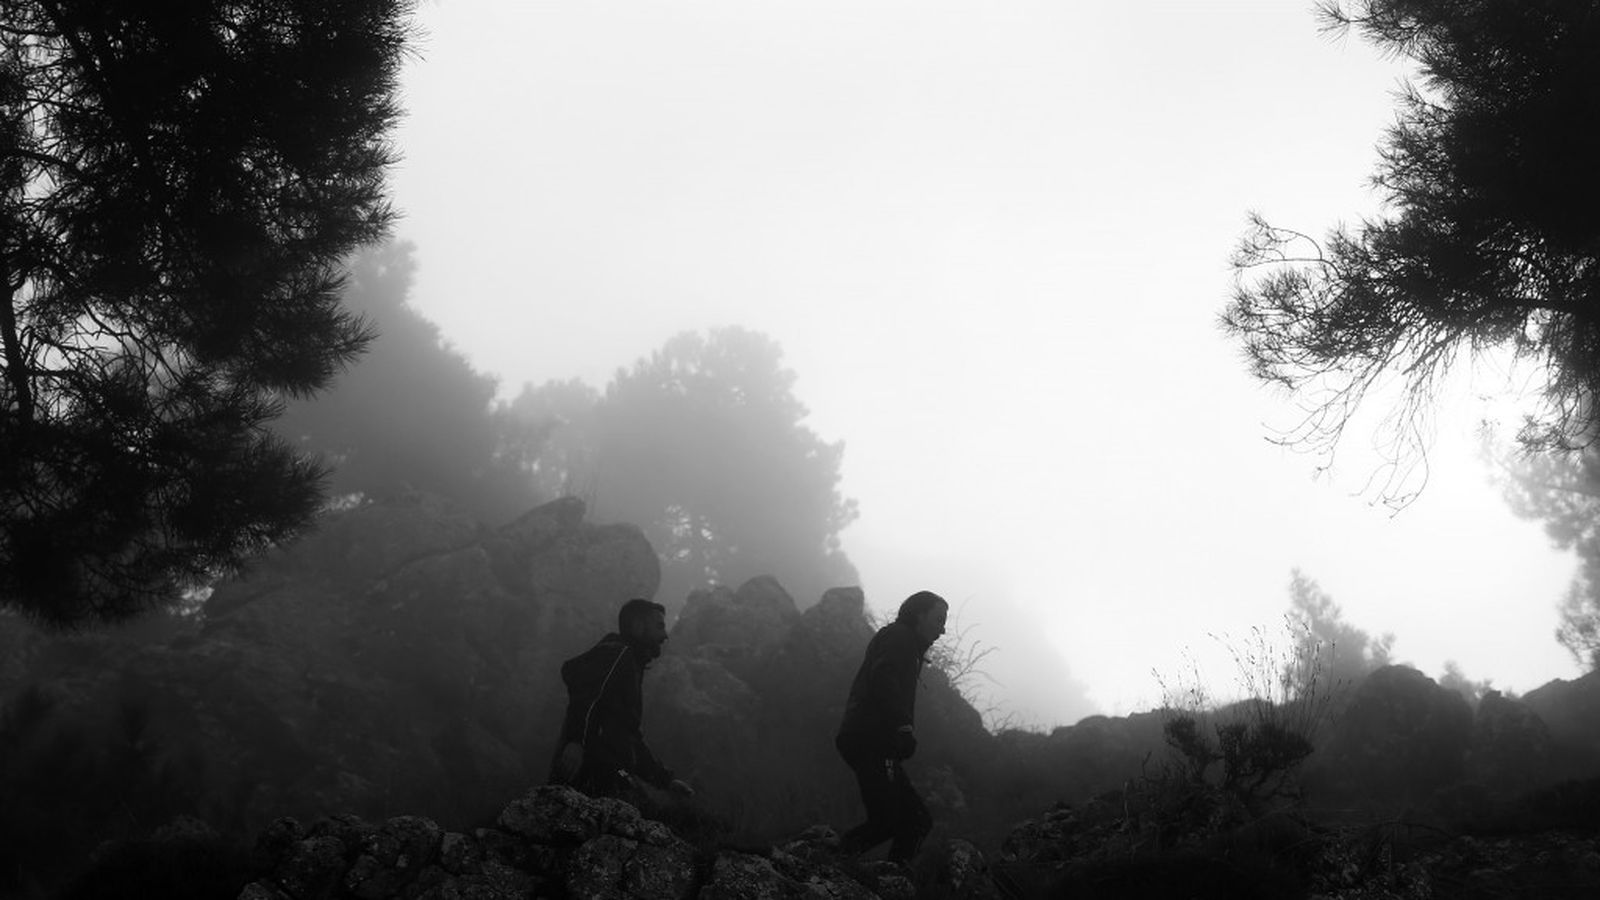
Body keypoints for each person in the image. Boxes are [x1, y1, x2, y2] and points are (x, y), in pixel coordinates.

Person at [834, 590, 948, 864]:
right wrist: (903, 727)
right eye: (939, 619)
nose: (942, 629)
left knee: (914, 821)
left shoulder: (906, 643)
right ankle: (822, 860)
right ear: (919, 615)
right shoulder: (900, 637)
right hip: (871, 739)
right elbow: (883, 676)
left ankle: (888, 879)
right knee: (896, 820)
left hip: (870, 739)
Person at [549, 598, 694, 801]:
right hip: (592, 767)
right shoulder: (618, 653)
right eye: (659, 626)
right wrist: (576, 743)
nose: (665, 635)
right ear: (637, 626)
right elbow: (588, 698)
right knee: (636, 807)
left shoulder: (630, 662)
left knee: (637, 808)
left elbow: (629, 735)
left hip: (608, 768)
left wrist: (665, 780)